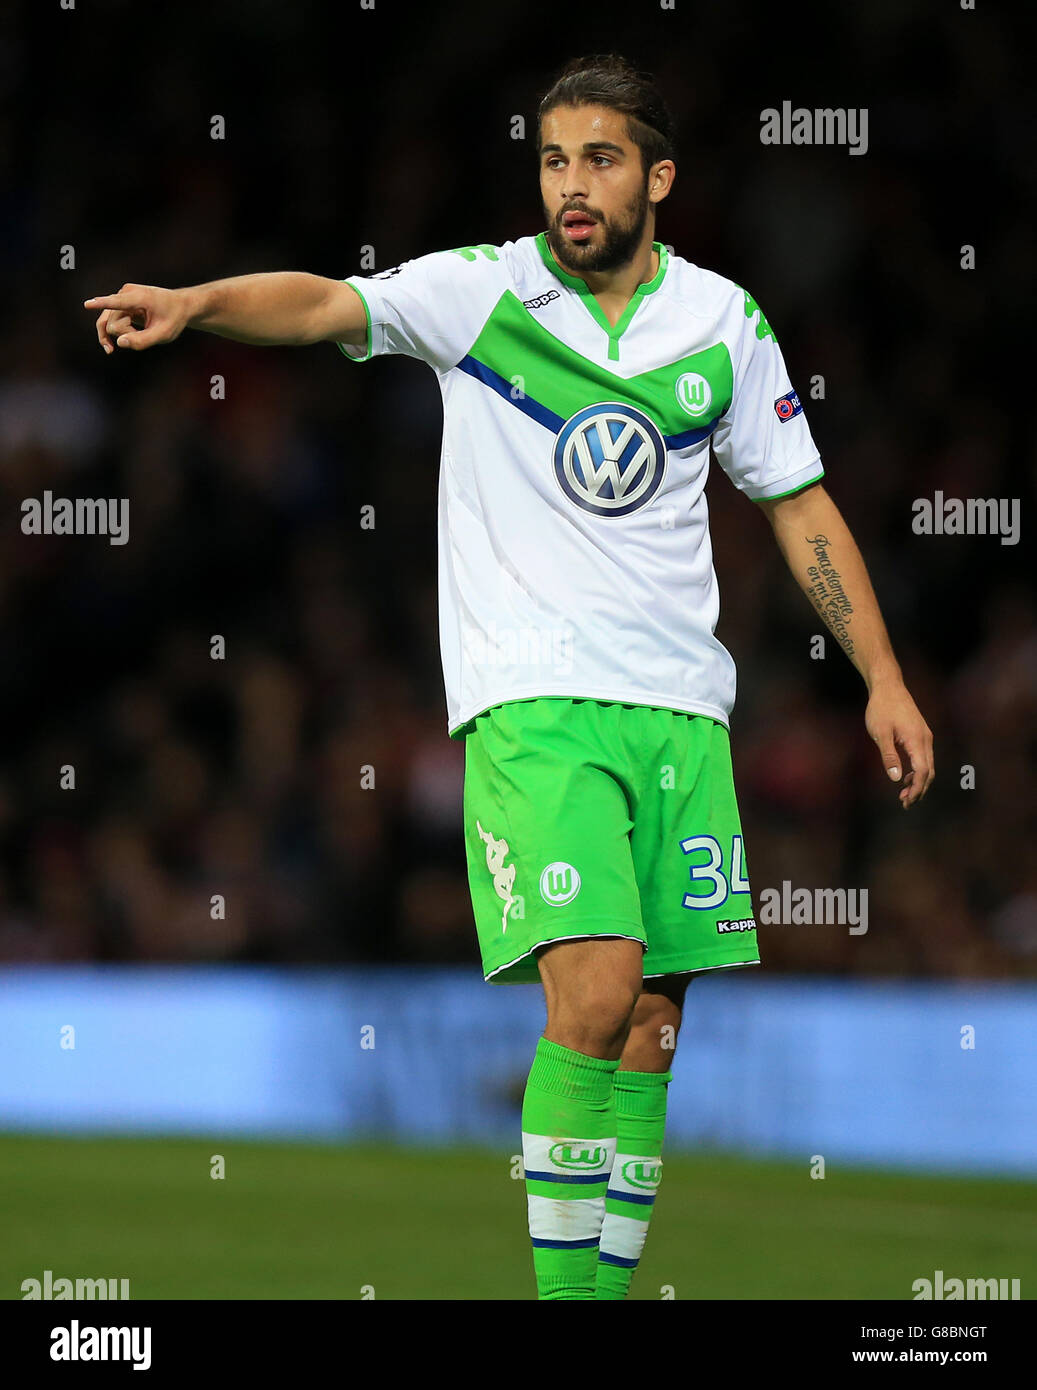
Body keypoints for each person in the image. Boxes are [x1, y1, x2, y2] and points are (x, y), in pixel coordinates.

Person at [84, 53, 934, 1301]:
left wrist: (883, 677)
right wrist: (197, 301)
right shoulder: (481, 294)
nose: (568, 185)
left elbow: (798, 507)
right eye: (549, 159)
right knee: (590, 993)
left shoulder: (723, 321)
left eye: (597, 158)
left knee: (649, 1024)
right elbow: (324, 305)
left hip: (681, 711)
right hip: (534, 704)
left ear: (657, 175)